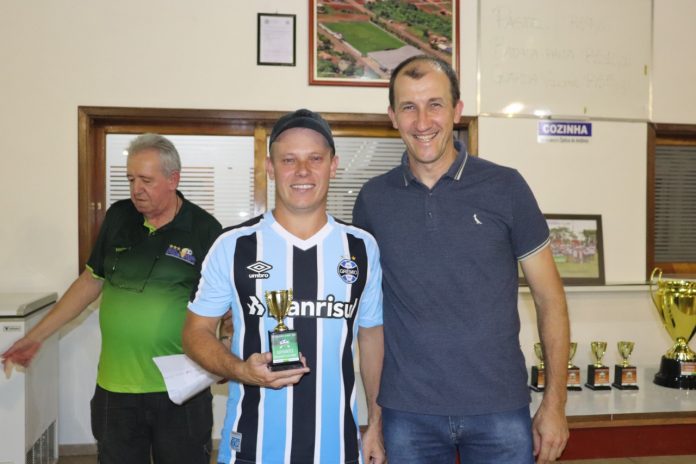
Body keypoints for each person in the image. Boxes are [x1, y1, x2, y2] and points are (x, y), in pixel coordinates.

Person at [352, 55, 570, 464]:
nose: (422, 121)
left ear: (457, 111)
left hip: (499, 409)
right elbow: (371, 319)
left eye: (434, 104)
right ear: (392, 117)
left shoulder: (506, 187)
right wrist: (375, 418)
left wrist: (555, 404)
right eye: (408, 107)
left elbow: (550, 299)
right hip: (407, 413)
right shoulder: (373, 200)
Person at [1, 133, 222, 464]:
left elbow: (226, 305)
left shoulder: (205, 230)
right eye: (131, 179)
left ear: (173, 179)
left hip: (181, 390)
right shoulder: (119, 217)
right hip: (116, 391)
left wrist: (224, 352)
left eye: (146, 180)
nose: (136, 189)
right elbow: (91, 281)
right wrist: (36, 336)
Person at [183, 109, 386, 464]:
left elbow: (371, 338)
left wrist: (376, 426)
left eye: (315, 159)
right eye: (289, 160)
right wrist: (242, 370)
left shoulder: (361, 247)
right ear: (270, 167)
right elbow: (194, 333)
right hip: (252, 448)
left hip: (336, 447)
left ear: (333, 166)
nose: (302, 171)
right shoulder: (233, 246)